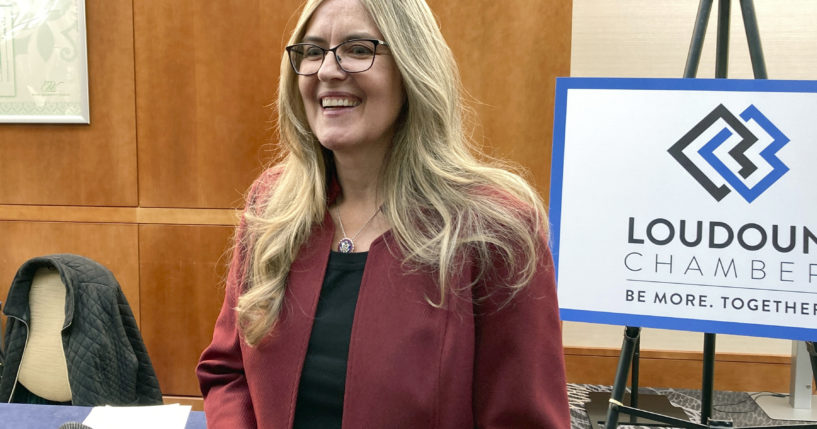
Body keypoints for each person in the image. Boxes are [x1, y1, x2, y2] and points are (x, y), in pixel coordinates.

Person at [196, 0, 570, 427]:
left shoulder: (494, 229)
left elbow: (524, 420)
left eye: (357, 49)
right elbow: (228, 373)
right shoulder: (273, 206)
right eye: (313, 51)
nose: (327, 71)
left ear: (413, 67)